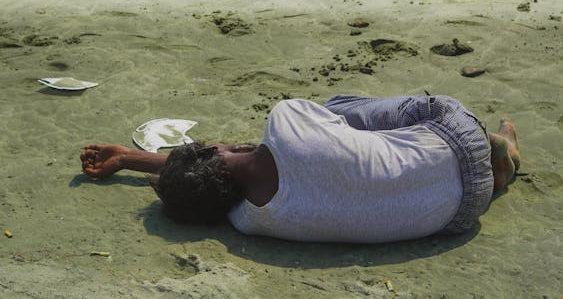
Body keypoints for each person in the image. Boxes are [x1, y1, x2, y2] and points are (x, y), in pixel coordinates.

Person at [80, 93, 520, 243]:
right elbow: (227, 156)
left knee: (353, 160)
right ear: (217, 150)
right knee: (338, 109)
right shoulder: (286, 121)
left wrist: (132, 157)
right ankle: (489, 144)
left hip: (460, 211)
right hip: (456, 134)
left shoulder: (249, 222)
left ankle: (498, 170)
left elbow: (206, 176)